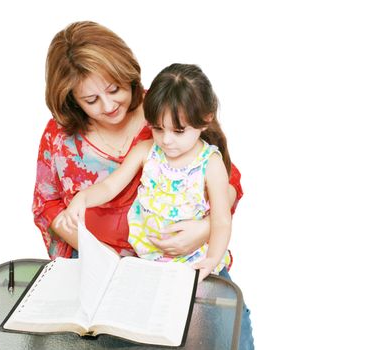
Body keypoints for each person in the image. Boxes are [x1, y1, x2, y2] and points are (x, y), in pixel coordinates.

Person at [32, 21, 254, 349]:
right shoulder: (61, 135)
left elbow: (227, 187)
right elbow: (52, 201)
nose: (108, 106)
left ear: (129, 76)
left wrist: (204, 231)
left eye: (115, 89)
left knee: (212, 334)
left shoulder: (168, 109)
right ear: (71, 99)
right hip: (105, 274)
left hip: (184, 259)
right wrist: (86, 239)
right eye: (91, 99)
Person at [61, 63, 233, 282]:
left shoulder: (210, 164)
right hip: (148, 261)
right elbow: (110, 186)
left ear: (206, 120)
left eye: (178, 131)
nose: (166, 140)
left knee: (195, 312)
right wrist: (82, 198)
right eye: (158, 128)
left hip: (194, 260)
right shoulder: (147, 151)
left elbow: (221, 221)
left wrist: (211, 260)